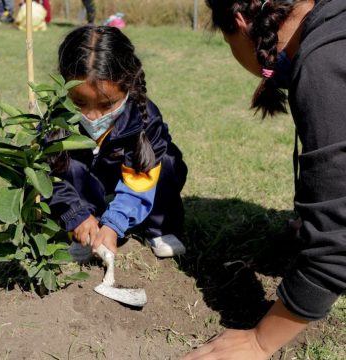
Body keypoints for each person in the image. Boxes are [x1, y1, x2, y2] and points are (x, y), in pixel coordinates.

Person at [182, 0, 346, 359]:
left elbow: (337, 243)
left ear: (240, 23)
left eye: (228, 43)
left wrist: (260, 340)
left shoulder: (325, 62)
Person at [47, 25, 187, 261]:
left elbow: (140, 181)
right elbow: (49, 178)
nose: (93, 116)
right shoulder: (56, 120)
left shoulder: (145, 118)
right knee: (68, 165)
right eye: (80, 103)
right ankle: (86, 229)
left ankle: (159, 228)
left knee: (166, 162)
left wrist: (114, 224)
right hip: (93, 175)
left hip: (129, 173)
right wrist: (76, 214)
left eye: (106, 105)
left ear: (128, 85)